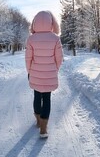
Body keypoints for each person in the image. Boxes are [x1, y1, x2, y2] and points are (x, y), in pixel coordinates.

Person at [25, 10, 63, 138]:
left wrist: (29, 71)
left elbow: (28, 58)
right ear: (51, 22)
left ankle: (38, 121)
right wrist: (54, 69)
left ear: (35, 23)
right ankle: (43, 129)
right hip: (50, 74)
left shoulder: (31, 39)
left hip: (35, 73)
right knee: (47, 99)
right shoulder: (55, 38)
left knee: (37, 96)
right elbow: (59, 58)